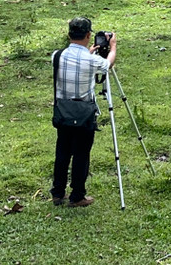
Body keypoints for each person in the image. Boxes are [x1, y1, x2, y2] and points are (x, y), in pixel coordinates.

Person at [50, 17, 117, 207]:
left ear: (69, 34)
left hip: (63, 112)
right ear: (89, 35)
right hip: (84, 114)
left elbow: (73, 64)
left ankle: (57, 192)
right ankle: (77, 195)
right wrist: (112, 48)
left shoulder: (56, 55)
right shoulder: (92, 60)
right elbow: (107, 65)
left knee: (62, 152)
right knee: (81, 154)